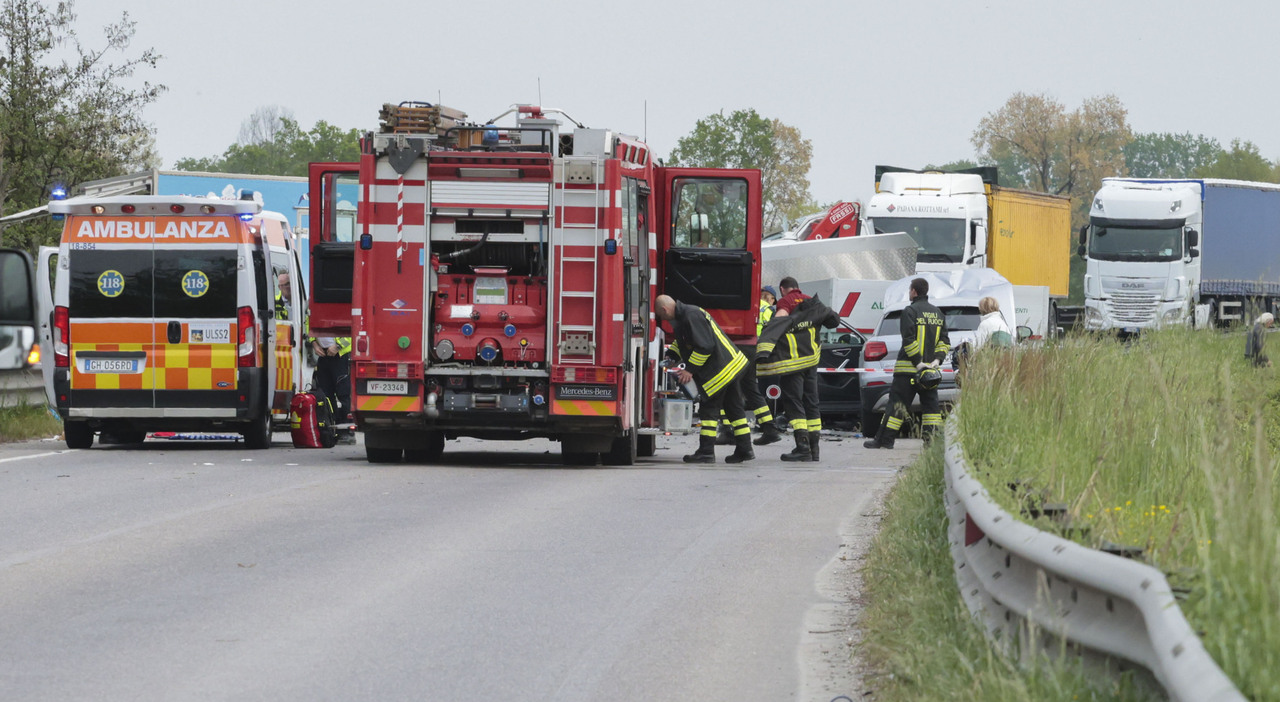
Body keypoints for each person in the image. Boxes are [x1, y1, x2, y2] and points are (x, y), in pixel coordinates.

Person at [657, 294, 754, 464]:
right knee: (734, 410)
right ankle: (745, 449)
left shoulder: (690, 316)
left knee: (708, 410)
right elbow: (684, 342)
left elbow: (705, 346)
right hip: (730, 366)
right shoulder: (685, 316)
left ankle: (706, 452)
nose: (664, 320)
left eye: (662, 316)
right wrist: (672, 355)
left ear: (664, 310)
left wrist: (689, 370)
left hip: (720, 370)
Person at [864, 277, 950, 449]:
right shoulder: (938, 313)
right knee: (931, 409)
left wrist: (918, 363)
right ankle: (932, 442)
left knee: (897, 406)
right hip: (930, 373)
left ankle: (885, 440)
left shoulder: (909, 311)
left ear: (914, 291)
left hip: (908, 371)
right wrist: (936, 361)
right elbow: (944, 341)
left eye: (910, 290)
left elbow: (908, 340)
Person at [758, 277, 837, 462]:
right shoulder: (811, 301)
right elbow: (833, 321)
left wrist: (763, 350)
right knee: (812, 402)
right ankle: (814, 449)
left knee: (793, 402)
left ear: (782, 289)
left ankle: (802, 447)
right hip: (812, 359)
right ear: (797, 287)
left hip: (792, 362)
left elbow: (778, 321)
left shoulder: (785, 302)